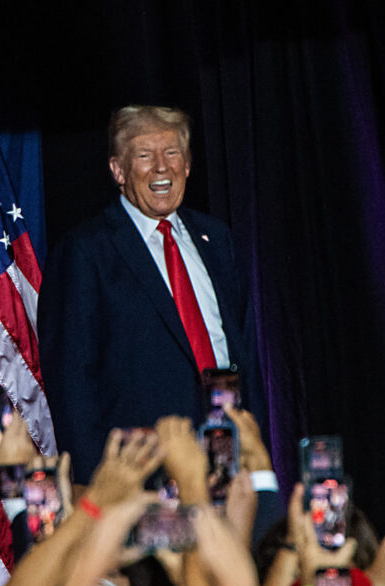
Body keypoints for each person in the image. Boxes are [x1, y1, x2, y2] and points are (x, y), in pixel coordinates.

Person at [37, 104, 265, 483]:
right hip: (145, 476)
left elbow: (242, 352)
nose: (161, 167)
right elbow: (72, 386)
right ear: (118, 170)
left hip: (230, 465)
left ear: (188, 164)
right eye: (144, 155)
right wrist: (102, 491)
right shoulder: (85, 252)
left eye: (172, 152)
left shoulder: (216, 239)